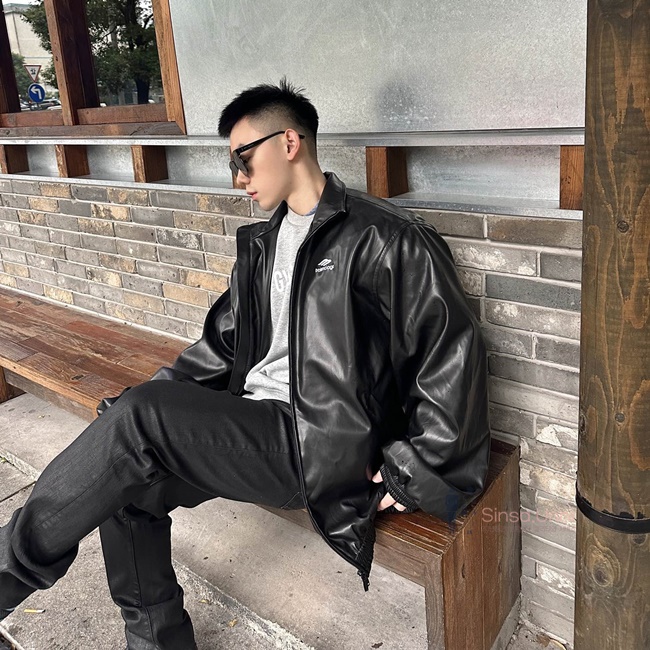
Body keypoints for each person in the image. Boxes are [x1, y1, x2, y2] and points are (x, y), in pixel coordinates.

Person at [0, 79, 490, 650]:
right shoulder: (264, 244)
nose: (238, 178)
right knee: (125, 480)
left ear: (289, 143)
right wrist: (123, 423)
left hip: (317, 442)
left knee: (135, 430)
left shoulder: (385, 239)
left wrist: (416, 471)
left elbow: (450, 355)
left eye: (243, 159)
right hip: (253, 423)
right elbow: (220, 349)